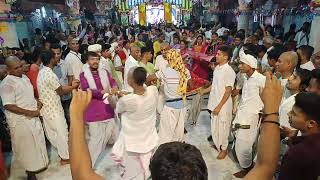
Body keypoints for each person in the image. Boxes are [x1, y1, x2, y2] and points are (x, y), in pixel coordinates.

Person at [68, 72, 283, 180]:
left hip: (135, 138)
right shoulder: (151, 92)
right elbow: (265, 167)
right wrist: (271, 109)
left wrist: (76, 117)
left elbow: (80, 172)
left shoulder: (130, 100)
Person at [0, 56, 48, 180]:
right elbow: (9, 105)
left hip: (32, 117)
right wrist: (30, 113)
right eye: (16, 68)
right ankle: (30, 173)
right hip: (21, 121)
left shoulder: (24, 77)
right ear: (9, 70)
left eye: (21, 66)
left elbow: (28, 94)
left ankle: (37, 166)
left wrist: (36, 101)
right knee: (27, 148)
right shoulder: (7, 84)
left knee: (37, 143)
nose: (20, 69)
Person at [111, 67, 159, 179]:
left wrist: (110, 96)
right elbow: (140, 93)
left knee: (133, 174)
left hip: (133, 145)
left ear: (131, 81)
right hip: (149, 139)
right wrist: (122, 93)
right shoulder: (153, 91)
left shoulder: (128, 101)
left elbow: (116, 108)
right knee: (147, 170)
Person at [37, 50, 79, 165]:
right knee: (62, 133)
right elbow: (60, 91)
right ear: (51, 59)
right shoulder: (50, 74)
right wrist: (73, 86)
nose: (57, 58)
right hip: (54, 110)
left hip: (46, 110)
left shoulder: (41, 72)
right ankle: (66, 157)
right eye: (55, 56)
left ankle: (63, 155)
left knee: (54, 134)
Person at [79, 51, 118, 167]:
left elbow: (112, 82)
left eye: (97, 59)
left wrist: (115, 87)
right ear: (87, 61)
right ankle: (87, 166)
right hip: (94, 112)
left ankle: (123, 162)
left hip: (108, 109)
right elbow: (87, 89)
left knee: (116, 136)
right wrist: (102, 92)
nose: (95, 61)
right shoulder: (83, 75)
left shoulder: (104, 72)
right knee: (96, 141)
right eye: (92, 59)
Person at [147, 49, 191, 144]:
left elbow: (149, 78)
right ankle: (177, 153)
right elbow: (190, 85)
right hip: (183, 106)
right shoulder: (186, 71)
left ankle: (165, 155)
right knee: (178, 133)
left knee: (166, 134)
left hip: (170, 107)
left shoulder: (165, 71)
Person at [232, 52, 266, 178]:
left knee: (244, 145)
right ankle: (247, 167)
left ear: (251, 65)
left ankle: (248, 169)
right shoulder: (246, 78)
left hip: (252, 117)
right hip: (242, 115)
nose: (239, 66)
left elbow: (266, 97)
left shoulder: (261, 79)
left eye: (242, 64)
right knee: (238, 141)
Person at [200, 45, 236, 159]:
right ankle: (218, 145)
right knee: (215, 127)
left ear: (225, 57)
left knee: (223, 128)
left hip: (223, 105)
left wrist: (219, 106)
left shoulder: (229, 71)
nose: (216, 55)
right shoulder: (217, 68)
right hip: (214, 102)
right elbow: (214, 86)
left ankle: (224, 149)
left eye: (219, 54)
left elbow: (228, 91)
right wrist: (203, 91)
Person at [278, 92, 320, 180]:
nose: (288, 114)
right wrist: (296, 140)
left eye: (293, 113)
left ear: (311, 123)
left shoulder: (296, 154)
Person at [279, 68, 311, 138]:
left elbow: (283, 129)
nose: (289, 78)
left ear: (303, 86)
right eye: (292, 75)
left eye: (294, 78)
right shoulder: (288, 94)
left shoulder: (294, 101)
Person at [51, 43, 73, 127]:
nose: (56, 56)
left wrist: (68, 86)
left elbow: (70, 76)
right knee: (60, 117)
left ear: (61, 53)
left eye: (58, 53)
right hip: (55, 96)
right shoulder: (47, 66)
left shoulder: (66, 63)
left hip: (67, 95)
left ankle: (72, 132)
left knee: (69, 114)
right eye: (54, 54)